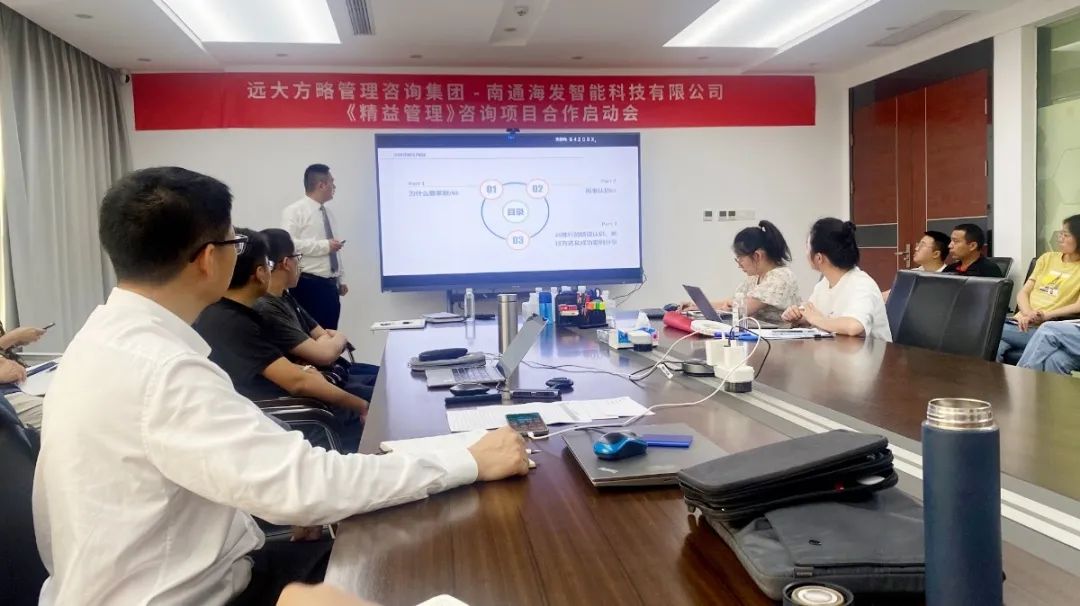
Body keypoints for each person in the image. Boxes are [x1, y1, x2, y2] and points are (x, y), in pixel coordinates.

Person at [33, 166, 529, 605]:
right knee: (426, 560)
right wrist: (466, 460)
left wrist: (271, 500)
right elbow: (308, 485)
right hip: (196, 593)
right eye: (234, 244)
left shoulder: (99, 341)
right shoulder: (162, 371)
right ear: (207, 259)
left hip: (158, 577)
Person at [193, 228, 369, 451]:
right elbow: (298, 382)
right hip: (289, 418)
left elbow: (291, 370)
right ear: (260, 273)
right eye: (268, 265)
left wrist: (305, 371)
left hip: (291, 406)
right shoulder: (232, 321)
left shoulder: (233, 312)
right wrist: (361, 406)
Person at [256, 228, 378, 401]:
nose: (299, 265)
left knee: (389, 376)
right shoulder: (267, 308)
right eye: (298, 257)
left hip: (336, 372)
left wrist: (321, 347)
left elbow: (321, 336)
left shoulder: (285, 297)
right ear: (286, 263)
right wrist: (339, 338)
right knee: (390, 390)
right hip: (322, 388)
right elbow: (323, 355)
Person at [782, 218, 893, 341]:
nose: (805, 253)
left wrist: (815, 318)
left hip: (871, 352)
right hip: (839, 350)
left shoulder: (862, 284)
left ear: (819, 258)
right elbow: (816, 315)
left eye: (807, 247)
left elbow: (854, 326)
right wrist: (799, 317)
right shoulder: (824, 284)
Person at [681, 221, 800, 325]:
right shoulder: (755, 277)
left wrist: (728, 306)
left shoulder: (780, 277)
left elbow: (741, 309)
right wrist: (695, 305)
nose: (739, 264)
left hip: (781, 341)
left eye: (740, 258)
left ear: (757, 256)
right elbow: (730, 302)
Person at [998, 215, 1080, 362]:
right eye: (1060, 233)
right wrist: (1028, 313)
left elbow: (1077, 306)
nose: (1060, 238)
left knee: (989, 330)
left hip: (1046, 328)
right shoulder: (1047, 258)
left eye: (1066, 235)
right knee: (995, 347)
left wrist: (1044, 315)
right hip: (1020, 323)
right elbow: (1024, 292)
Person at [283, 164, 347, 329]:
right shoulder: (295, 211)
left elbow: (334, 249)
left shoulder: (328, 213)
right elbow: (289, 244)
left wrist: (340, 279)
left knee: (330, 334)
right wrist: (324, 246)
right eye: (332, 182)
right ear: (321, 185)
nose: (334, 187)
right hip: (308, 285)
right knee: (311, 336)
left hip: (330, 286)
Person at [0, 322, 47, 428]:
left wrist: (12, 341)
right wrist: (11, 338)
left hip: (18, 382)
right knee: (65, 413)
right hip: (5, 393)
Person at [882, 231, 949, 301]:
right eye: (918, 245)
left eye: (922, 245)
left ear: (936, 254)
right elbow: (891, 294)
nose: (916, 248)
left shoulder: (947, 279)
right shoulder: (912, 274)